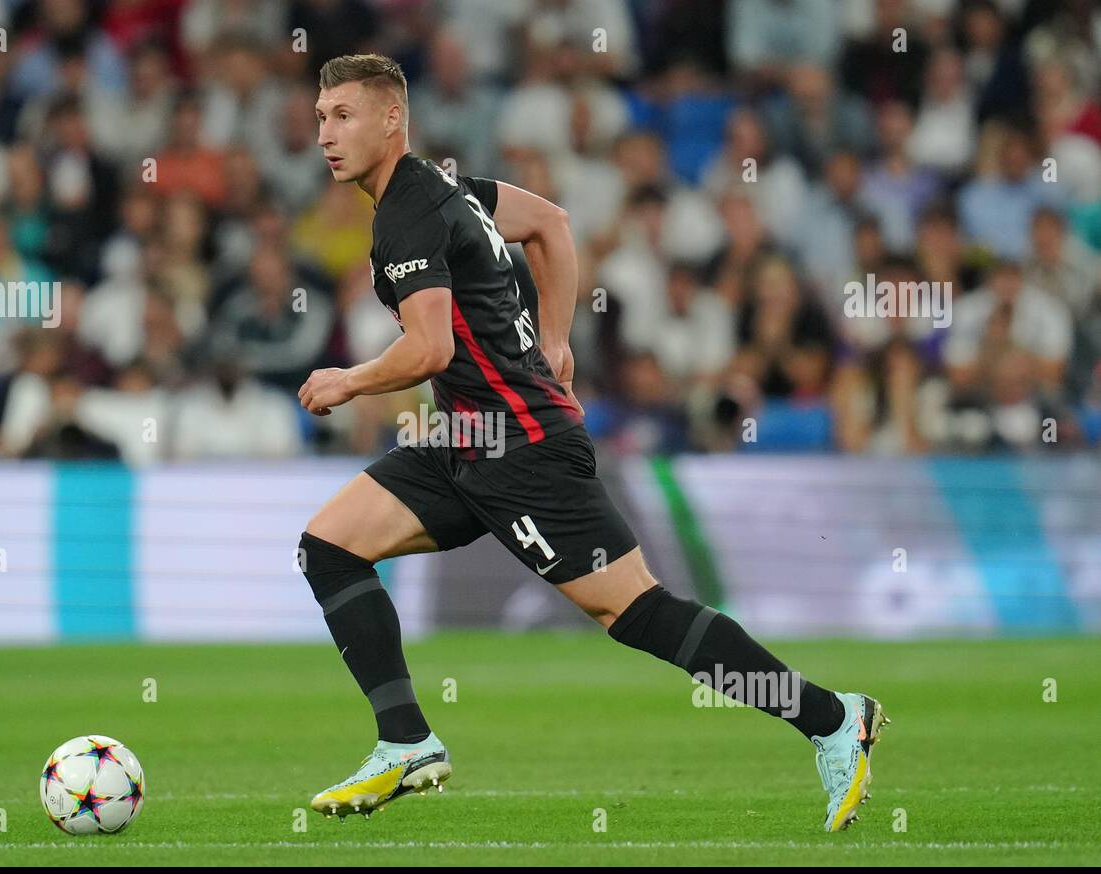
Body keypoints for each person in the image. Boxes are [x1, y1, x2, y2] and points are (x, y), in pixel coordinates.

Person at [297, 54, 888, 831]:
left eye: (343, 115)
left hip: (524, 447)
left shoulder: (411, 209)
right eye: (319, 118)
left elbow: (429, 348)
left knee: (636, 614)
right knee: (329, 544)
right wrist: (556, 340)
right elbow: (551, 224)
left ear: (391, 119)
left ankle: (832, 719)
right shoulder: (452, 192)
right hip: (468, 437)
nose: (326, 135)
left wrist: (350, 380)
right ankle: (406, 740)